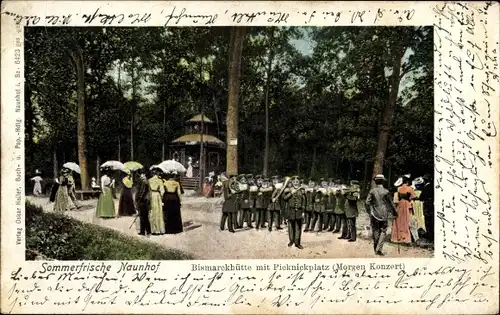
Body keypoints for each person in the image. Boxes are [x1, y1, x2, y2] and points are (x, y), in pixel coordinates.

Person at [366, 174, 397, 256]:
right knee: (383, 231)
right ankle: (379, 249)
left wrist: (369, 211)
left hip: (374, 213)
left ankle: (375, 247)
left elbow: (367, 202)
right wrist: (394, 212)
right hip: (384, 213)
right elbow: (391, 203)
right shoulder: (386, 192)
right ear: (383, 182)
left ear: (375, 182)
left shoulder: (372, 191)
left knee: (375, 230)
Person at [391, 175, 415, 243]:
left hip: (400, 204)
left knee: (399, 220)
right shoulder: (410, 189)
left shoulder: (399, 188)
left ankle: (397, 237)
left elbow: (398, 197)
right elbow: (412, 197)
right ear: (407, 182)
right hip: (406, 204)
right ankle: (405, 238)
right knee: (405, 220)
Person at [283, 176, 305, 249]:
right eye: (294, 182)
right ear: (292, 183)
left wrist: (303, 211)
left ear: (299, 182)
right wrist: (291, 193)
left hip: (299, 211)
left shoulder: (302, 190)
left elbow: (305, 201)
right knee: (291, 227)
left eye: (297, 182)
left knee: (298, 227)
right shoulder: (288, 190)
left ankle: (297, 243)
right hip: (290, 211)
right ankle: (291, 241)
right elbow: (285, 198)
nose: (295, 183)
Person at [148, 168, 165, 234]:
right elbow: (162, 191)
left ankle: (153, 229)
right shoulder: (160, 180)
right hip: (157, 196)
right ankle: (159, 229)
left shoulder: (149, 180)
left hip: (151, 195)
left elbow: (148, 190)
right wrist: (162, 197)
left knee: (152, 212)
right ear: (157, 173)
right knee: (158, 212)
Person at [135, 168, 151, 236]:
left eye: (143, 175)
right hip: (143, 201)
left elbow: (143, 192)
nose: (141, 177)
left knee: (143, 216)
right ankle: (146, 231)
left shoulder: (145, 183)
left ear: (145, 175)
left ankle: (144, 231)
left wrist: (138, 199)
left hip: (143, 201)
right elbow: (139, 192)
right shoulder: (143, 182)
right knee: (144, 216)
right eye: (141, 175)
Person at [420, 174, 434, 241]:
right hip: (432, 205)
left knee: (427, 221)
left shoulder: (425, 188)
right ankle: (432, 235)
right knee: (432, 221)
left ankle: (429, 236)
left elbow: (421, 197)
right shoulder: (433, 186)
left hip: (427, 206)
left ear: (425, 180)